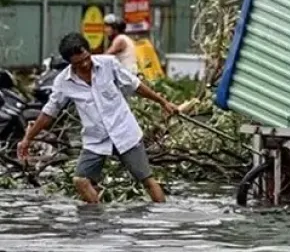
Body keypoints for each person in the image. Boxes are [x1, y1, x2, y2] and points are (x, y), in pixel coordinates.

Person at [17, 32, 179, 204]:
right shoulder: (63, 82)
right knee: (80, 180)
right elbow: (49, 113)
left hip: (124, 132)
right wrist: (28, 138)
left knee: (147, 180)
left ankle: (162, 219)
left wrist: (163, 102)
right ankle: (99, 221)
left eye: (87, 58)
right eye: (78, 63)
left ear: (89, 51)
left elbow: (135, 86)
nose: (85, 64)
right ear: (70, 63)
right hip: (96, 139)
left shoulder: (108, 64)